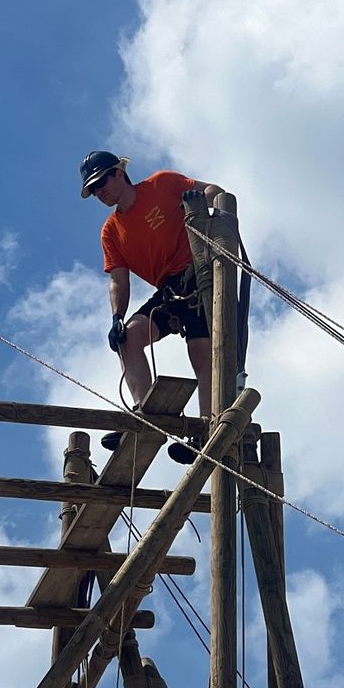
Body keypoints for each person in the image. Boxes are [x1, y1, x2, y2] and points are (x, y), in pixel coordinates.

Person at [79, 151, 225, 460]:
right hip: (169, 291)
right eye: (93, 190)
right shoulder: (111, 231)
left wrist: (198, 200)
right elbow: (119, 280)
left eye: (102, 182)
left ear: (119, 173)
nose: (100, 192)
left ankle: (207, 431)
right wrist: (117, 317)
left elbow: (215, 192)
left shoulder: (161, 184)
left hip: (199, 275)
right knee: (127, 338)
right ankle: (146, 415)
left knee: (201, 354)